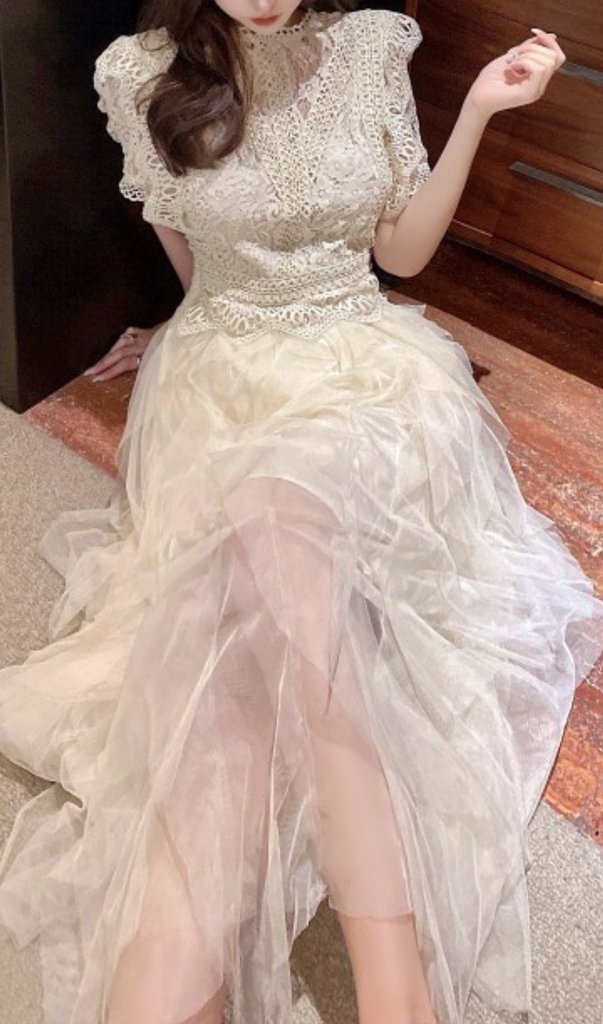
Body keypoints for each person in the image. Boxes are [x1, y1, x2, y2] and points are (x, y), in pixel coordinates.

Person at [0, 2, 601, 1023]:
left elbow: (401, 255)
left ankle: (226, 983)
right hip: (222, 378)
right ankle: (397, 989)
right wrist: (187, 333)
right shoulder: (139, 74)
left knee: (263, 563)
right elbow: (199, 273)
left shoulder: (370, 46)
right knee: (264, 592)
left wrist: (479, 110)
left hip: (365, 374)